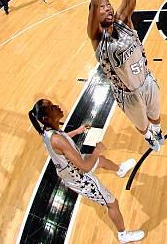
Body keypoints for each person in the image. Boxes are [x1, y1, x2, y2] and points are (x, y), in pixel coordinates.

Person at [88, 0, 166, 152]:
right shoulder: (97, 37)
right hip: (127, 94)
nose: (107, 8)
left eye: (108, 4)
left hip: (147, 80)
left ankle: (158, 130)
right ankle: (148, 136)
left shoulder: (123, 21)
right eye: (103, 7)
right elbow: (94, 2)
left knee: (155, 116)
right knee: (142, 126)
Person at [28, 99, 144, 243]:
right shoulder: (56, 139)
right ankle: (123, 235)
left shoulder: (46, 130)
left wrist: (77, 131)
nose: (57, 106)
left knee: (100, 160)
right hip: (80, 177)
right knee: (113, 203)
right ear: (46, 118)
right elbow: (85, 167)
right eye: (52, 107)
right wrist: (96, 151)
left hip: (72, 167)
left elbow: (62, 141)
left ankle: (120, 170)